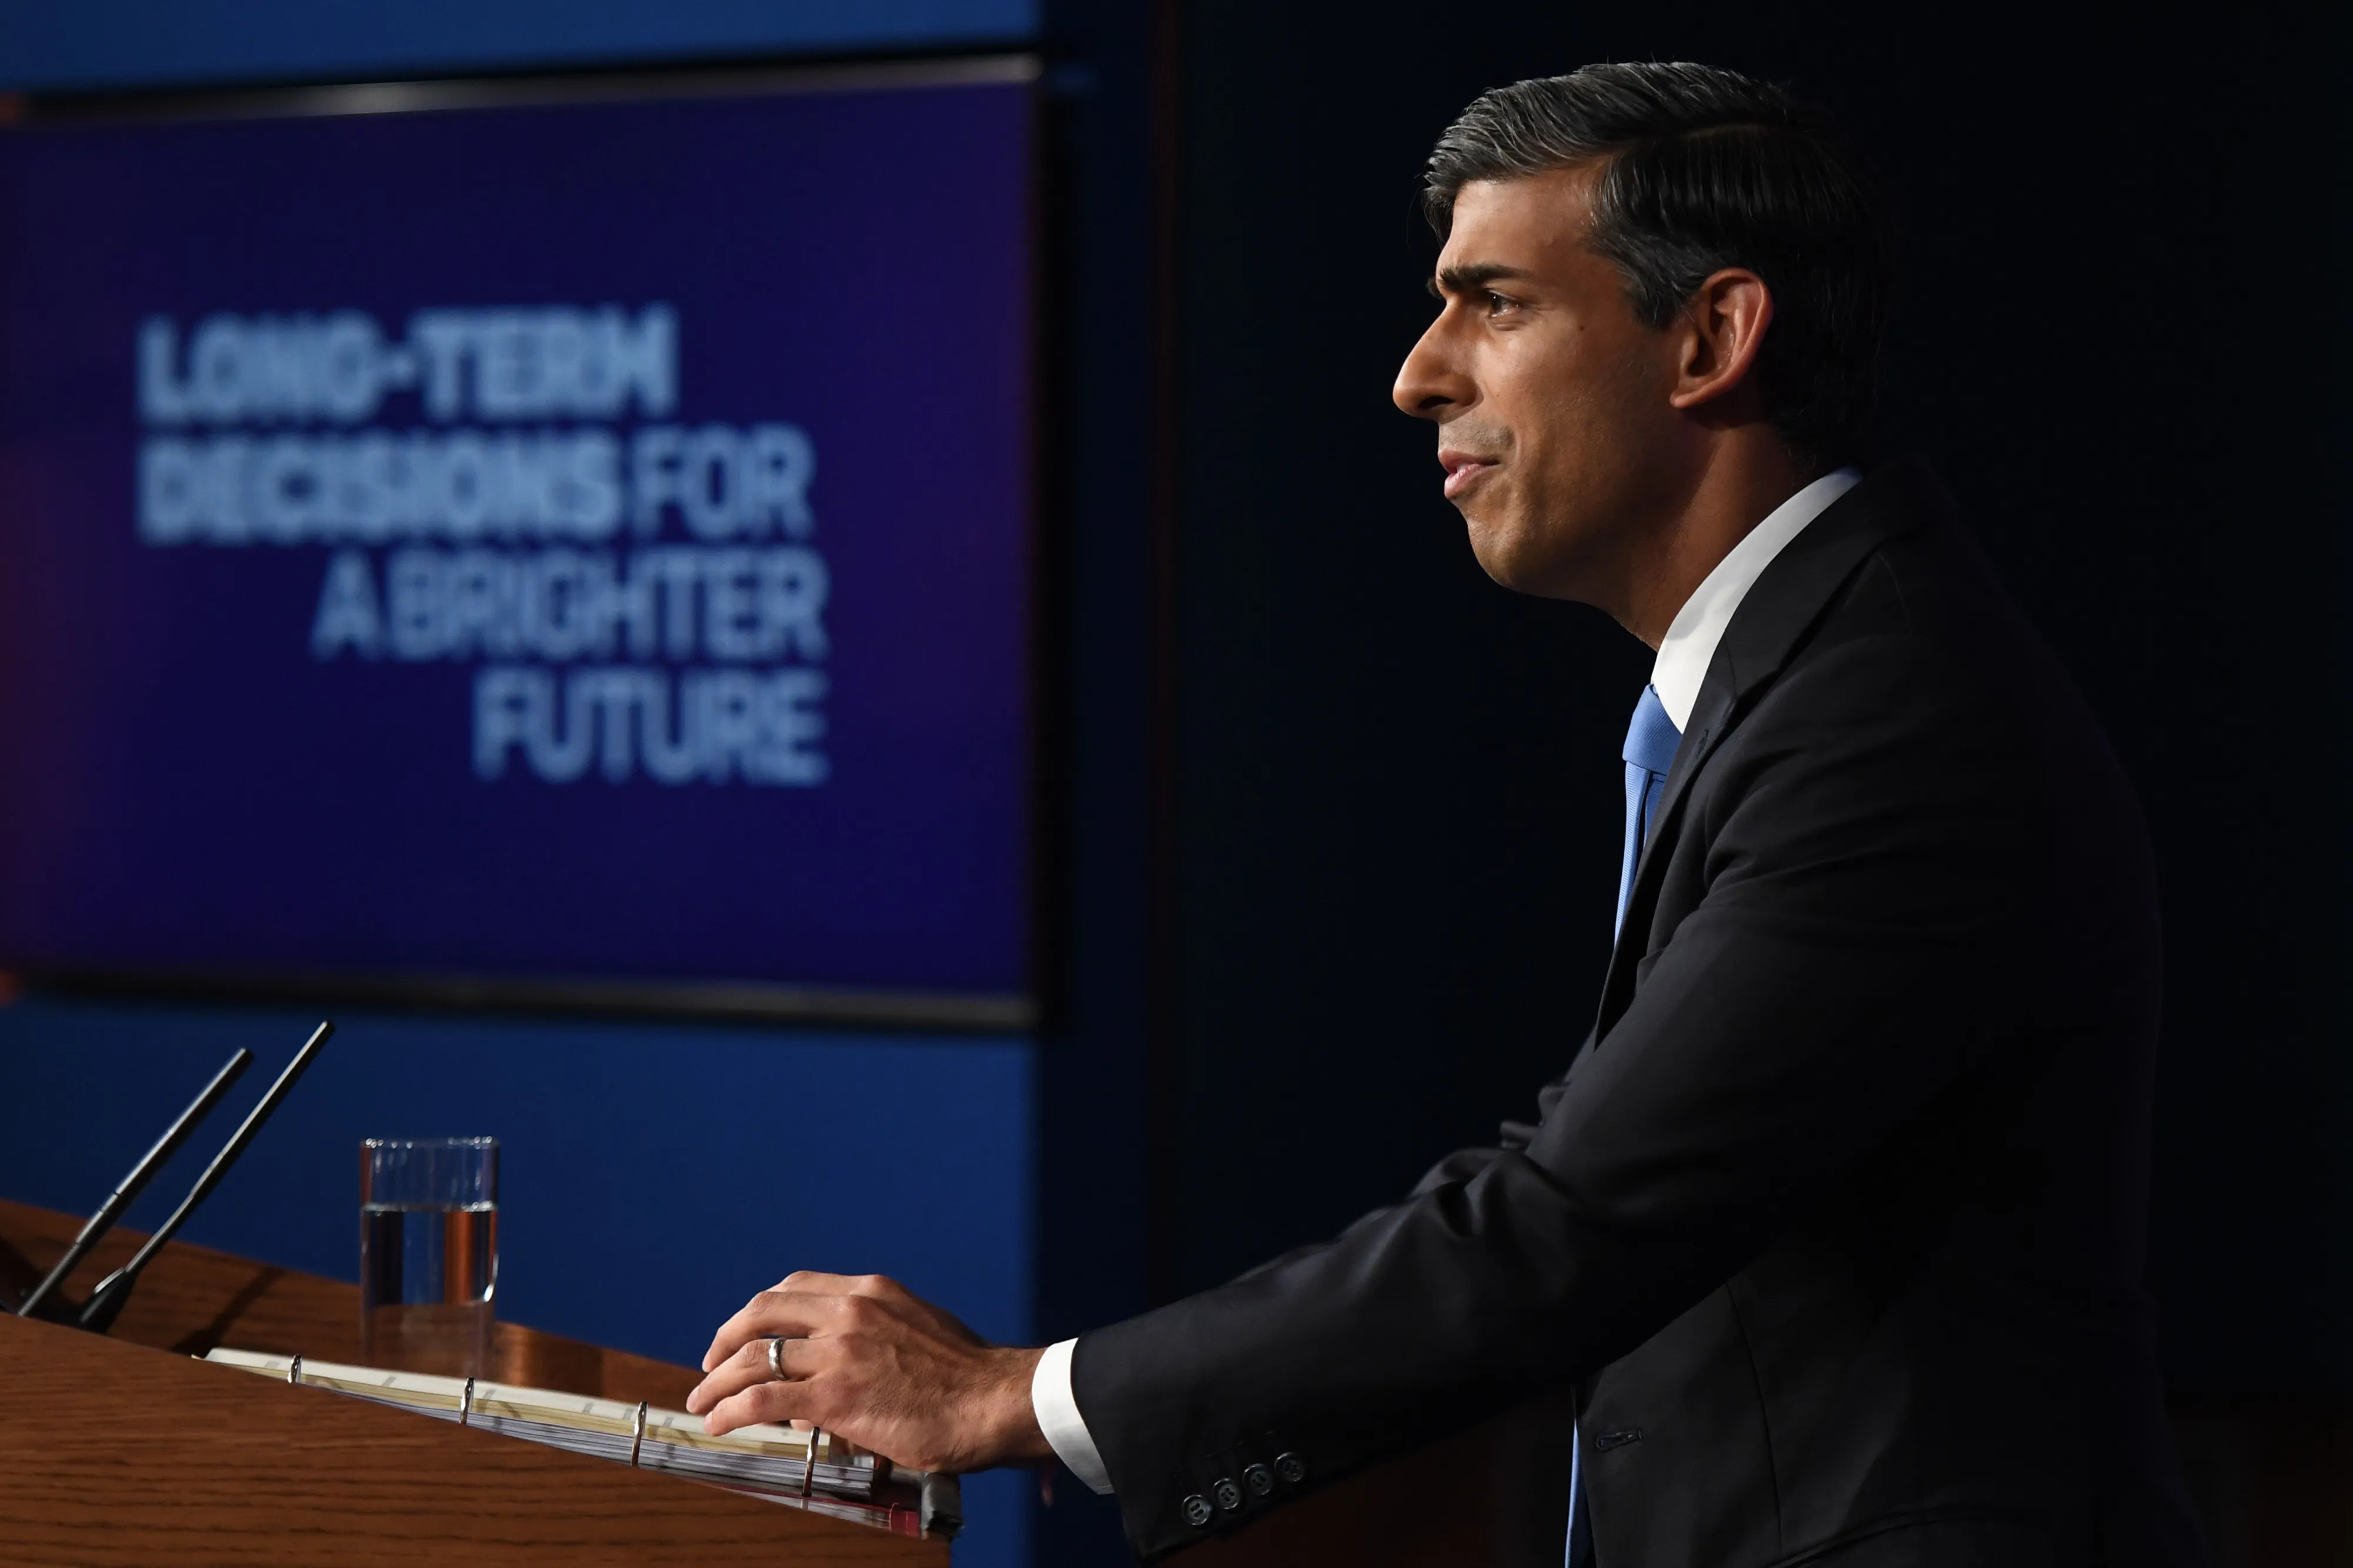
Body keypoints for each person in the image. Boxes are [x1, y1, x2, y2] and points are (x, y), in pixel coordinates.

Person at [685, 62, 2209, 1566]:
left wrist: (1022, 1396)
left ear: (1713, 339)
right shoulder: (1809, 681)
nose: (1420, 373)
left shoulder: (1897, 723)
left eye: (1495, 302)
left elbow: (1569, 1224)